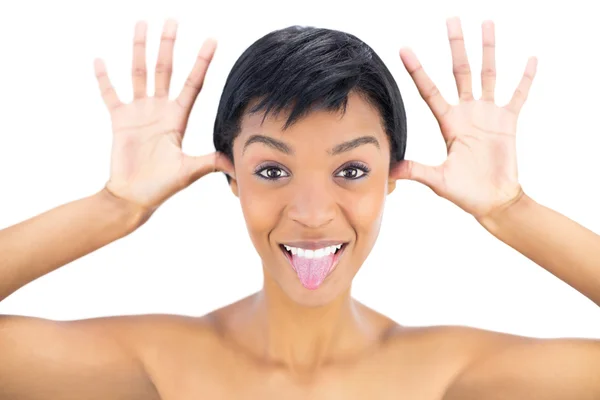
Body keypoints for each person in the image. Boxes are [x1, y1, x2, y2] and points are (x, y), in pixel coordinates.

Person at [0, 15, 598, 399]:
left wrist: (512, 211)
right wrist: (112, 207)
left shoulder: (448, 375)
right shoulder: (163, 363)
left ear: (393, 177)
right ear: (229, 175)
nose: (312, 211)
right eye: (272, 170)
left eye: (351, 171)